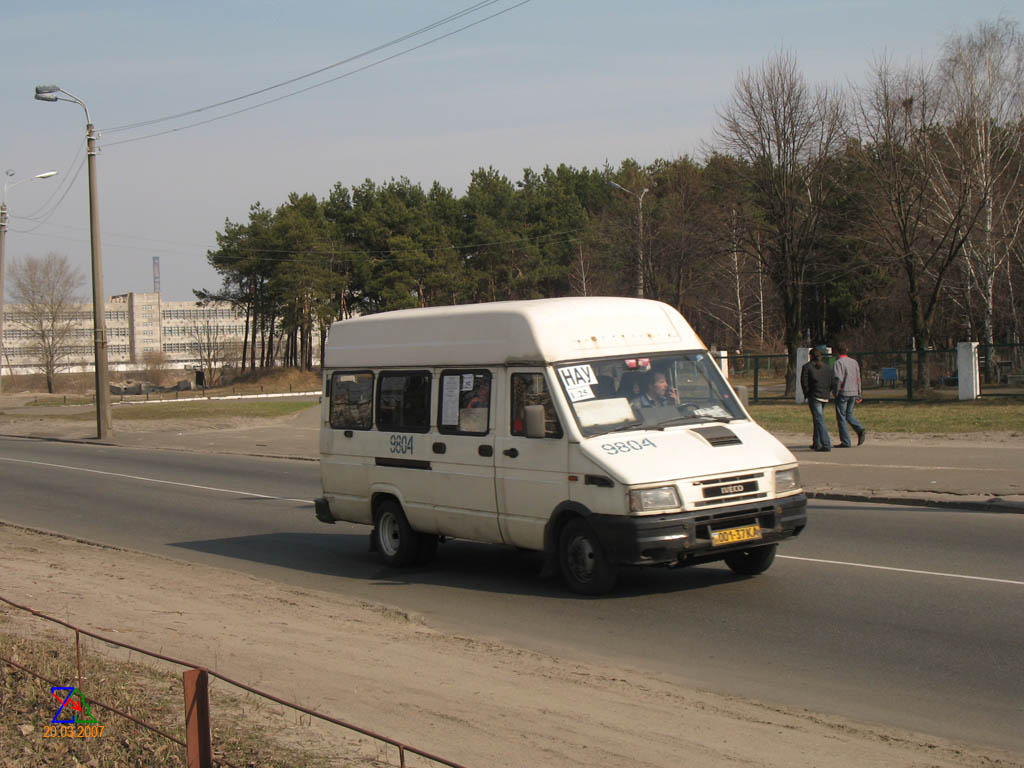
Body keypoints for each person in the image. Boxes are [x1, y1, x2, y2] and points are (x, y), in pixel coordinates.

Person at [800, 347, 835, 452]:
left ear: (810, 356)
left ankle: (826, 443)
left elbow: (804, 382)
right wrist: (828, 391)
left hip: (814, 395)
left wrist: (807, 393)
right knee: (817, 418)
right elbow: (832, 381)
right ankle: (817, 442)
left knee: (819, 420)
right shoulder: (827, 367)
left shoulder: (807, 367)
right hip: (824, 395)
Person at [833, 344, 866, 447]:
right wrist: (859, 393)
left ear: (837, 352)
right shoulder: (854, 362)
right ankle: (859, 429)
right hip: (854, 391)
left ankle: (846, 441)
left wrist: (836, 391)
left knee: (841, 417)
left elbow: (838, 379)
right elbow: (858, 378)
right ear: (846, 350)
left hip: (843, 392)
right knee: (849, 414)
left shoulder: (838, 363)